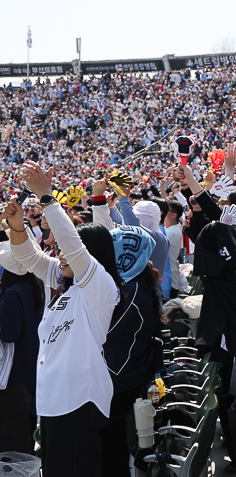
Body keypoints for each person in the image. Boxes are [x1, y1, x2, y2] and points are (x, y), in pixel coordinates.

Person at [1, 161, 121, 477]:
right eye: (61, 250)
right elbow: (28, 258)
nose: (62, 255)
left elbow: (72, 247)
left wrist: (47, 197)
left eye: (72, 249)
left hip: (81, 403)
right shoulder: (64, 284)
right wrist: (16, 227)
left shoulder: (100, 288)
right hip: (53, 405)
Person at [101, 222, 163, 477]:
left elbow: (104, 330)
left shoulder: (131, 289)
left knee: (113, 445)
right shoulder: (138, 282)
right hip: (130, 372)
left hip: (121, 377)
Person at [0, 257, 43, 454]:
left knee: (12, 435)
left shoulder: (11, 294)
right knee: (27, 428)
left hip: (13, 374)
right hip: (31, 368)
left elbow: (9, 333)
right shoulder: (32, 286)